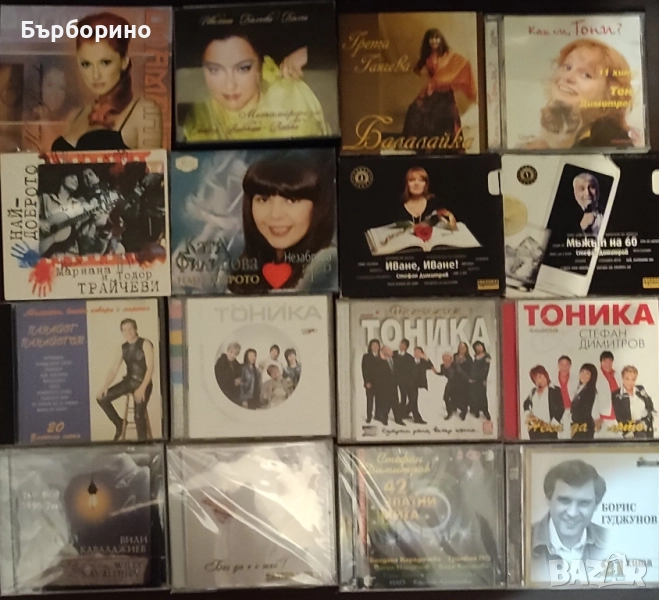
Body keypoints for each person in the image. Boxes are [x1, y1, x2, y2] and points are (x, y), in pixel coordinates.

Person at [182, 31, 330, 141]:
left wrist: (310, 53)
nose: (230, 85)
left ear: (260, 66)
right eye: (215, 70)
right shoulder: (198, 109)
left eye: (243, 68)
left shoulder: (292, 96)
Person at [51, 12, 163, 151]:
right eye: (86, 64)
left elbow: (154, 164)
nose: (95, 75)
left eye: (105, 62)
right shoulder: (76, 115)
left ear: (124, 61)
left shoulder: (144, 110)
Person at [227, 153, 337, 293]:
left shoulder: (330, 268)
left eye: (292, 200)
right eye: (264, 199)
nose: (275, 215)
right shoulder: (240, 267)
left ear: (317, 206)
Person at [523, 39, 638, 149]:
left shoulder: (612, 140)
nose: (568, 77)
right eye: (567, 67)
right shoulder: (539, 131)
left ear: (610, 94)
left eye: (586, 75)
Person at [530, 460, 608, 584]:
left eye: (584, 503)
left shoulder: (612, 540)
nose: (573, 513)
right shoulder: (520, 542)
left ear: (596, 505)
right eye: (564, 501)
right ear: (548, 500)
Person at [402, 28, 477, 149]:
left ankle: (446, 146)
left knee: (447, 115)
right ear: (428, 41)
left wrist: (445, 79)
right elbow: (417, 69)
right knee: (414, 109)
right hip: (432, 93)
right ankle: (423, 145)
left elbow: (464, 63)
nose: (434, 41)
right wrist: (431, 79)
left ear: (441, 40)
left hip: (445, 94)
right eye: (431, 38)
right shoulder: (426, 56)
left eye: (436, 38)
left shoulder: (448, 55)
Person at [96, 318, 154, 441]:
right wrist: (105, 386)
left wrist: (142, 388)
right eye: (124, 330)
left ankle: (143, 444)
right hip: (129, 382)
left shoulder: (145, 343)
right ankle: (119, 423)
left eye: (130, 329)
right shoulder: (123, 348)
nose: (128, 332)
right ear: (122, 332)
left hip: (144, 383)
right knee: (101, 398)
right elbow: (113, 369)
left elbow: (150, 368)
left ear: (136, 329)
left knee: (138, 416)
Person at [612, 366, 655, 439]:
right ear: (622, 378)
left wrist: (649, 417)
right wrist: (628, 432)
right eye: (627, 379)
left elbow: (649, 403)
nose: (630, 382)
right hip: (632, 429)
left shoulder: (640, 388)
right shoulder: (617, 395)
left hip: (646, 425)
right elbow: (619, 416)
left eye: (633, 379)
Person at [523, 366, 565, 440]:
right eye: (535, 379)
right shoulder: (533, 391)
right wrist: (529, 415)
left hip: (549, 428)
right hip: (534, 429)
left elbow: (561, 407)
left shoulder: (554, 390)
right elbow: (526, 404)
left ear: (545, 375)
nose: (539, 380)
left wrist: (553, 423)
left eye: (540, 377)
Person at [374, 346, 406, 426]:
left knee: (395, 402)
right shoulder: (380, 361)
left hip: (394, 385)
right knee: (386, 403)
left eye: (390, 349)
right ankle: (384, 419)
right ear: (384, 352)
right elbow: (378, 372)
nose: (391, 351)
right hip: (385, 386)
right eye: (388, 350)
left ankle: (398, 419)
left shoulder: (395, 359)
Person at [570, 363, 599, 440]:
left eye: (587, 373)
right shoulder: (580, 388)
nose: (583, 375)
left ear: (592, 376)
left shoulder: (590, 391)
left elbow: (585, 412)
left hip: (584, 426)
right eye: (582, 371)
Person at [596, 350, 619, 432]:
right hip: (602, 418)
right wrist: (596, 417)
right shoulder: (596, 376)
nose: (608, 364)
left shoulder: (617, 375)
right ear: (601, 362)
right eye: (605, 361)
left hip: (617, 416)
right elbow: (593, 398)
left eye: (610, 361)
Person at [407, 347, 432, 424]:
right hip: (409, 384)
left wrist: (426, 358)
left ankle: (403, 412)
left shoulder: (423, 362)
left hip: (417, 385)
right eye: (415, 352)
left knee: (413, 401)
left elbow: (430, 366)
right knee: (413, 401)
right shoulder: (409, 360)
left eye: (418, 352)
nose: (416, 353)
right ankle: (417, 418)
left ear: (421, 353)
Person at [393, 339, 415, 417]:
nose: (402, 346)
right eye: (401, 344)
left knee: (404, 397)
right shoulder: (393, 354)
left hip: (404, 381)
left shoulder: (409, 357)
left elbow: (411, 370)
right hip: (393, 380)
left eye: (404, 345)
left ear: (406, 347)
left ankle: (402, 413)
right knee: (394, 397)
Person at [470, 341, 492, 420]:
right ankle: (476, 411)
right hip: (473, 379)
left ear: (482, 346)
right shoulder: (476, 356)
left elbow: (486, 369)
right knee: (475, 395)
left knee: (483, 396)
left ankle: (486, 411)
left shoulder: (487, 356)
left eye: (479, 346)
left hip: (481, 379)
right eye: (476, 347)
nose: (478, 348)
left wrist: (483, 379)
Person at [434, 352, 460, 420]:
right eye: (444, 359)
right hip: (450, 383)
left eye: (447, 359)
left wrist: (468, 379)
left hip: (458, 383)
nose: (445, 360)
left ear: (451, 359)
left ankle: (460, 410)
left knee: (457, 397)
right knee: (446, 397)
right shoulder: (442, 366)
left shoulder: (455, 365)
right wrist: (436, 372)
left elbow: (461, 373)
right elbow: (442, 373)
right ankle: (449, 413)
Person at [362, 339, 381, 424]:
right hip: (370, 382)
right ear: (370, 346)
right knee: (370, 400)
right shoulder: (366, 356)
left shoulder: (381, 356)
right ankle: (369, 417)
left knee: (379, 400)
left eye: (377, 345)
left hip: (379, 382)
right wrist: (366, 382)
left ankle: (377, 415)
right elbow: (364, 370)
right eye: (373, 345)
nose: (375, 347)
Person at [452, 342, 473, 418]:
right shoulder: (455, 356)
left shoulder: (469, 359)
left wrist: (469, 379)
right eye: (460, 347)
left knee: (463, 396)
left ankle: (464, 412)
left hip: (464, 380)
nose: (462, 349)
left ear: (466, 349)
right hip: (455, 379)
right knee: (454, 393)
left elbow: (471, 370)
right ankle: (454, 407)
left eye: (463, 347)